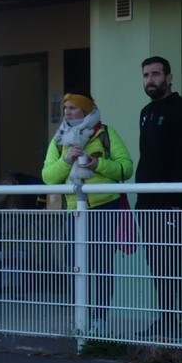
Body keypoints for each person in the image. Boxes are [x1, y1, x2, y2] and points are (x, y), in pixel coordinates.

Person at [40, 93, 133, 329]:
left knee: (102, 266)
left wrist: (97, 164)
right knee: (77, 267)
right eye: (65, 108)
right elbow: (48, 177)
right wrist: (66, 160)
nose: (67, 112)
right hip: (75, 210)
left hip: (105, 206)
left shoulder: (105, 133)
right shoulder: (59, 139)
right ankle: (81, 318)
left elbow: (126, 168)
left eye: (73, 108)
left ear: (86, 110)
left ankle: (99, 320)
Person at [134, 55, 182, 338]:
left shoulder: (180, 112)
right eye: (146, 75)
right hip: (146, 202)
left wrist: (178, 202)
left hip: (171, 203)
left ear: (169, 78)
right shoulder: (146, 112)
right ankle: (167, 318)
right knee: (157, 262)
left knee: (175, 260)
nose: (150, 80)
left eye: (156, 74)